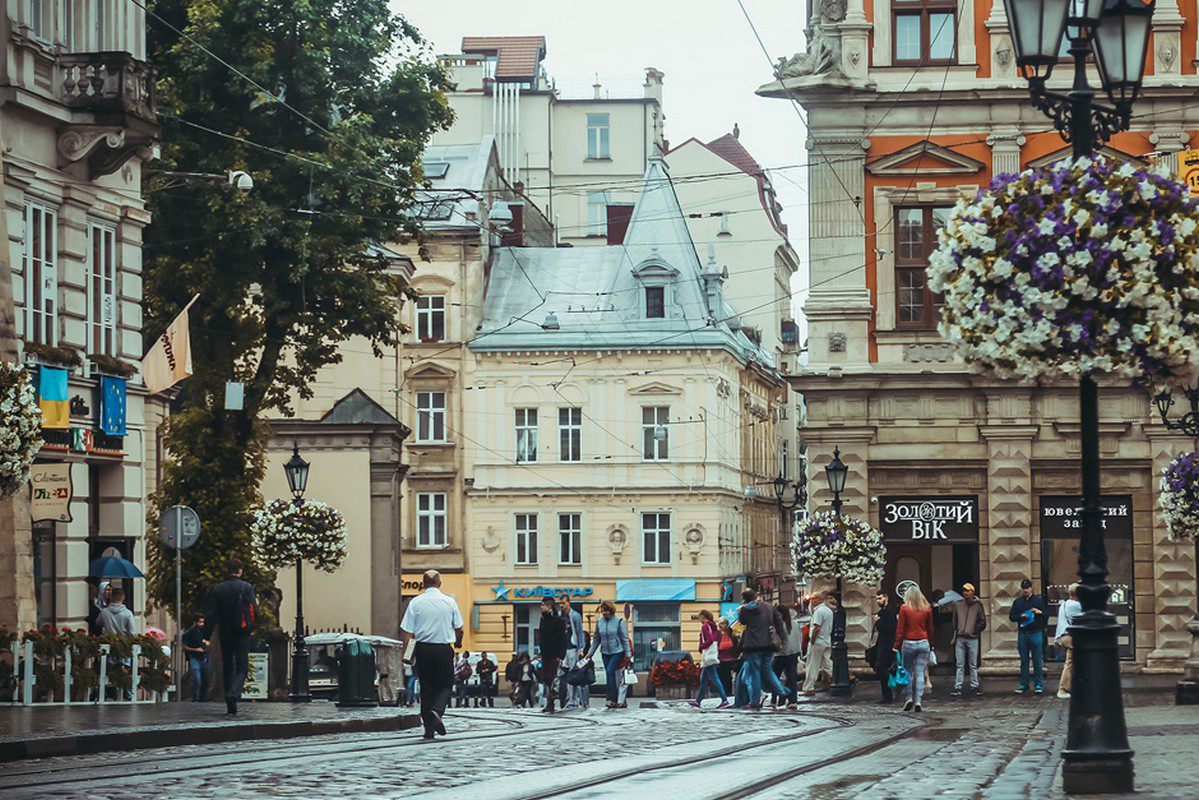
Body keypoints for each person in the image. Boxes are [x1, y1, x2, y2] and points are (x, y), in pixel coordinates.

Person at [399, 569, 465, 740]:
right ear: (439, 583)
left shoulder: (415, 603)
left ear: (423, 584)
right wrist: (458, 642)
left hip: (423, 649)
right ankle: (437, 711)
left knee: (426, 687)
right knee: (446, 684)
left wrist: (408, 653)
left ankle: (428, 729)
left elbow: (406, 630)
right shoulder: (449, 602)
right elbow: (459, 629)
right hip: (443, 649)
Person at [203, 558, 258, 715]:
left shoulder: (218, 589)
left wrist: (206, 635)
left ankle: (230, 705)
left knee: (228, 665)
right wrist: (252, 626)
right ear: (240, 570)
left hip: (225, 632)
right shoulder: (246, 587)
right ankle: (233, 693)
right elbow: (255, 609)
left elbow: (211, 614)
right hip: (242, 632)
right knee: (242, 667)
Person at [734, 589, 789, 709]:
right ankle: (783, 692)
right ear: (756, 596)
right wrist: (782, 639)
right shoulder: (769, 607)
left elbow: (743, 622)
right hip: (769, 644)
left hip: (753, 645)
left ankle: (754, 701)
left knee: (755, 673)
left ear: (745, 599)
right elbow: (778, 622)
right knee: (768, 670)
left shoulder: (744, 609)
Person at [894, 584, 935, 712]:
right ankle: (918, 701)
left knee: (908, 672)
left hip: (908, 642)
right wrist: (932, 644)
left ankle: (909, 698)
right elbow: (930, 629)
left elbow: (900, 629)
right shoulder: (927, 609)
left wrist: (896, 645)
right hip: (923, 642)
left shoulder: (904, 608)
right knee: (920, 672)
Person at [585, 600, 631, 709]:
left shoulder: (619, 621)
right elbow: (596, 639)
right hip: (605, 652)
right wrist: (590, 653)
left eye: (606, 611)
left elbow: (625, 639)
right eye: (602, 611)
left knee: (610, 671)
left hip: (617, 651)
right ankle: (617, 699)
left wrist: (628, 654)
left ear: (611, 611)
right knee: (611, 675)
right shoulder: (599, 622)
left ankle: (610, 699)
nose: (604, 613)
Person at [1009, 578, 1048, 694]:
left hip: (1036, 632)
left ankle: (1038, 684)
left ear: (1031, 588)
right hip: (1023, 633)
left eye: (1027, 588)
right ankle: (1024, 684)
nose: (1025, 590)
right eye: (1024, 588)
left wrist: (1039, 612)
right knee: (1024, 660)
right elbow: (1012, 617)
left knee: (1037, 660)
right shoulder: (1018, 602)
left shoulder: (1038, 600)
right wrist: (1021, 616)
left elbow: (1046, 614)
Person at [950, 583, 987, 697]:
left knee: (973, 664)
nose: (965, 593)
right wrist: (955, 634)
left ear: (972, 592)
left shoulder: (978, 605)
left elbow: (983, 621)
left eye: (967, 590)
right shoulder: (958, 605)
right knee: (960, 664)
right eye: (964, 590)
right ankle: (958, 686)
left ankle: (974, 685)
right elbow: (955, 621)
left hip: (972, 638)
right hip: (961, 637)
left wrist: (975, 631)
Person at [690, 609, 729, 708]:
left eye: (699, 617)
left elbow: (710, 640)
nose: (699, 619)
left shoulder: (705, 626)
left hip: (708, 656)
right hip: (711, 655)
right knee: (703, 679)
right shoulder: (713, 626)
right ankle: (698, 701)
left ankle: (724, 699)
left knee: (714, 678)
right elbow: (716, 638)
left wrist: (701, 646)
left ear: (703, 616)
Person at [802, 592, 837, 697]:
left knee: (812, 665)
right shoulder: (828, 611)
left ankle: (808, 688)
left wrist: (812, 640)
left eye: (813, 599)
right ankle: (843, 677)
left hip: (817, 642)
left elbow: (817, 627)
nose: (811, 601)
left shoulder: (818, 611)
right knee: (827, 664)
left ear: (818, 599)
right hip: (826, 640)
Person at [537, 597, 568, 713]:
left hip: (555, 654)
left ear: (549, 607)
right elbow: (541, 636)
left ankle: (555, 701)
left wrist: (561, 655)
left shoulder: (559, 620)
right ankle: (549, 703)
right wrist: (541, 650)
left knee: (553, 677)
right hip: (545, 654)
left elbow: (563, 639)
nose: (541, 607)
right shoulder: (543, 619)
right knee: (546, 678)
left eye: (543, 605)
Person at [1054, 584, 1082, 699]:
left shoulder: (1064, 604)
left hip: (1064, 636)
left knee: (1074, 662)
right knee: (1070, 663)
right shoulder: (1076, 605)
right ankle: (1063, 689)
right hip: (1072, 637)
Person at [773, 604, 803, 708]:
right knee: (791, 678)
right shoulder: (794, 623)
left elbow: (777, 640)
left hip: (781, 654)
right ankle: (792, 701)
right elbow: (799, 638)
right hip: (793, 653)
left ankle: (774, 700)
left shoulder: (779, 624)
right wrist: (800, 652)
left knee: (774, 677)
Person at [558, 595, 585, 709]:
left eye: (563, 603)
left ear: (568, 603)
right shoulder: (560, 616)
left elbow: (579, 632)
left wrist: (581, 648)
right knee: (564, 675)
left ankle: (574, 699)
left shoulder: (575, 615)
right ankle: (569, 699)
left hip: (573, 648)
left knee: (573, 675)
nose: (561, 605)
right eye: (560, 603)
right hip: (564, 650)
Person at [873, 591, 899, 703]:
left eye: (880, 598)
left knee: (881, 668)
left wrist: (878, 622)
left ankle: (888, 693)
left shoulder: (889, 612)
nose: (878, 601)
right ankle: (887, 692)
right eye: (877, 599)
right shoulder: (884, 611)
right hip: (883, 643)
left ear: (886, 597)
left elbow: (890, 629)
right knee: (880, 667)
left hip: (887, 644)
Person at [181, 613, 211, 703]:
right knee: (197, 678)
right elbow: (184, 647)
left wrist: (206, 642)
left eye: (203, 622)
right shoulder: (189, 633)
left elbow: (205, 640)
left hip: (204, 657)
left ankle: (203, 697)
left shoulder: (203, 631)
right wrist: (195, 650)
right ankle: (196, 697)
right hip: (194, 657)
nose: (202, 624)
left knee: (207, 678)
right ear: (195, 622)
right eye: (200, 622)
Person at [716, 617, 740, 698]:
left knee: (728, 677)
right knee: (721, 676)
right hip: (720, 659)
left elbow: (736, 645)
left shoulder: (731, 634)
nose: (723, 626)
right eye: (721, 624)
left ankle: (729, 693)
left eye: (725, 624)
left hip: (731, 659)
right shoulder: (717, 634)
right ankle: (722, 693)